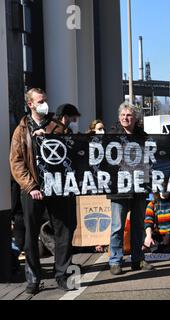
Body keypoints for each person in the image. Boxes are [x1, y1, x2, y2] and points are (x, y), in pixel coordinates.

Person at [10, 88, 75, 293]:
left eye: (45, 100)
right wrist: (31, 187)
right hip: (33, 191)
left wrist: (47, 136)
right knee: (30, 236)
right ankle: (34, 279)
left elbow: (72, 149)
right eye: (40, 101)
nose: (44, 104)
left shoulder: (58, 127)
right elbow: (16, 162)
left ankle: (62, 275)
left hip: (58, 189)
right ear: (30, 104)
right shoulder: (21, 130)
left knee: (63, 232)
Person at [108, 102, 150, 275]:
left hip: (139, 187)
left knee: (138, 225)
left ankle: (138, 259)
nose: (126, 118)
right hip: (119, 188)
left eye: (129, 115)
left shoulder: (144, 136)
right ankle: (115, 261)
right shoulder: (111, 136)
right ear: (119, 117)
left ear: (135, 118)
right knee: (118, 226)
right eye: (123, 115)